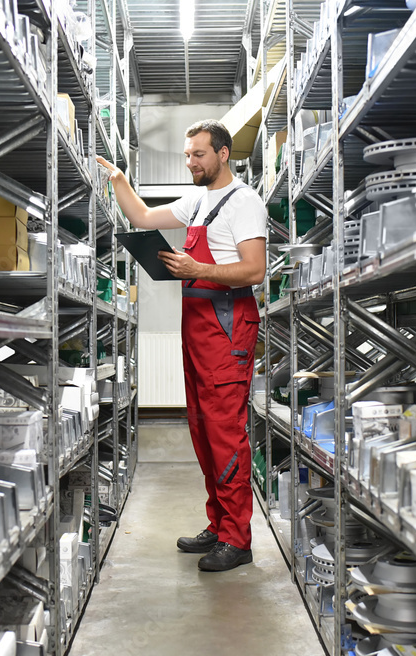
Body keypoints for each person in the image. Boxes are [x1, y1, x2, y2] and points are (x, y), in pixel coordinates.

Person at [97, 120, 267, 572]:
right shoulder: (196, 200)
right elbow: (143, 218)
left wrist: (197, 267)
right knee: (203, 432)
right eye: (187, 154)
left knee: (225, 434)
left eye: (198, 155)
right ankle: (219, 524)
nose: (190, 162)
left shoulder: (244, 202)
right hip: (196, 324)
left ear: (223, 154)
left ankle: (238, 539)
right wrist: (119, 180)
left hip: (227, 325)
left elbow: (254, 271)